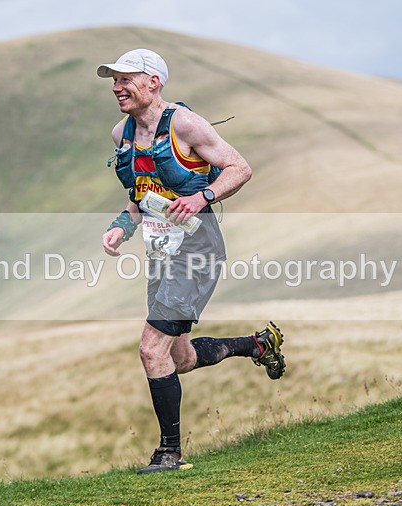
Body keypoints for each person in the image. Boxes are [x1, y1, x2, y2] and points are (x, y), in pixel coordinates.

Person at [97, 49, 286, 474]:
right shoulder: (121, 133)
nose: (116, 86)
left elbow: (240, 168)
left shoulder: (184, 124)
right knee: (176, 358)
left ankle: (170, 454)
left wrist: (203, 195)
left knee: (150, 350)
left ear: (153, 82)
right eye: (113, 79)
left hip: (198, 249)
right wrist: (120, 228)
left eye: (126, 78)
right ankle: (255, 345)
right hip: (161, 253)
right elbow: (139, 195)